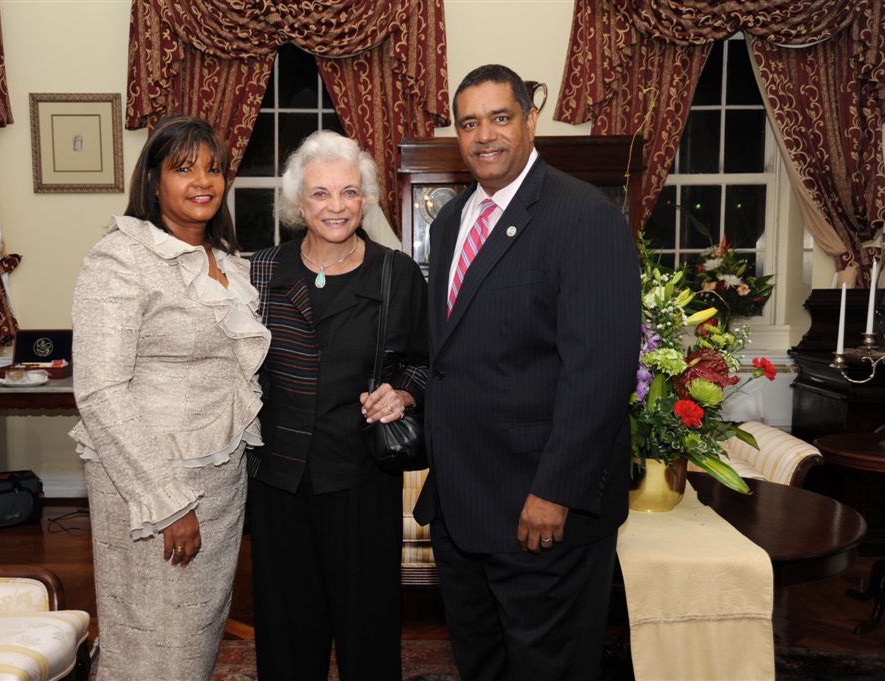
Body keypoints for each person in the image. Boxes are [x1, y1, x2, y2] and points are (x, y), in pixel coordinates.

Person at [413, 64, 641, 681]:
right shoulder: (451, 221)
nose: (484, 135)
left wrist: (555, 491)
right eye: (468, 123)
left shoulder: (583, 217)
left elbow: (600, 372)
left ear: (530, 120)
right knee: (480, 664)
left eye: (500, 117)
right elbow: (449, 357)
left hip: (541, 514)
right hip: (463, 511)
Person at [69, 114, 270, 680]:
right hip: (152, 485)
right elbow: (100, 390)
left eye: (214, 168)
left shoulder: (227, 262)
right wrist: (168, 501)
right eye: (183, 168)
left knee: (197, 631)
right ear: (153, 180)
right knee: (151, 638)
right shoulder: (120, 259)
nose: (202, 181)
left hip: (221, 481)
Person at [248, 130, 428, 681]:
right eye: (321, 194)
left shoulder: (396, 273)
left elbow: (423, 363)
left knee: (367, 629)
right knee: (286, 631)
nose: (336, 206)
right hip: (279, 481)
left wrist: (403, 393)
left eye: (349, 192)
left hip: (361, 477)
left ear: (367, 199)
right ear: (298, 203)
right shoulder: (258, 274)